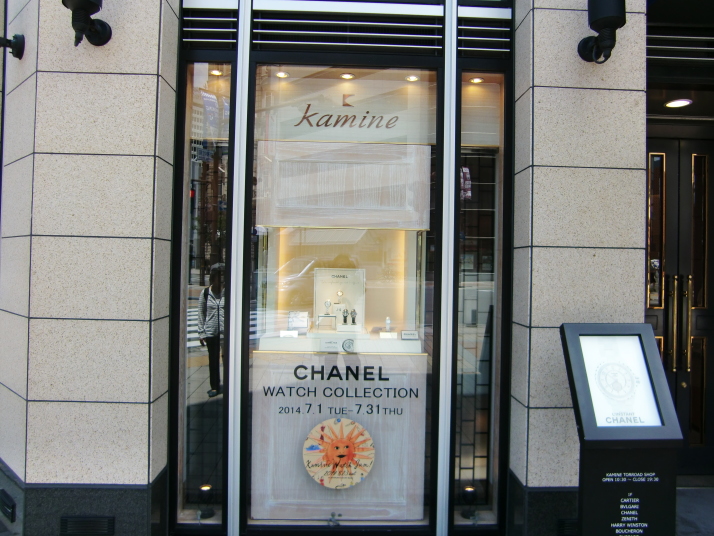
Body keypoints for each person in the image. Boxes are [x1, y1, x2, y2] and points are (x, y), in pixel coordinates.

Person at [198, 264, 225, 397]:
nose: (221, 280)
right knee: (213, 360)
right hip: (211, 331)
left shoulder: (227, 292)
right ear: (212, 278)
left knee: (227, 359)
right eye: (218, 277)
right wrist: (201, 332)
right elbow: (201, 313)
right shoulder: (205, 293)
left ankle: (228, 384)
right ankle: (214, 386)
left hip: (225, 332)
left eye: (222, 276)